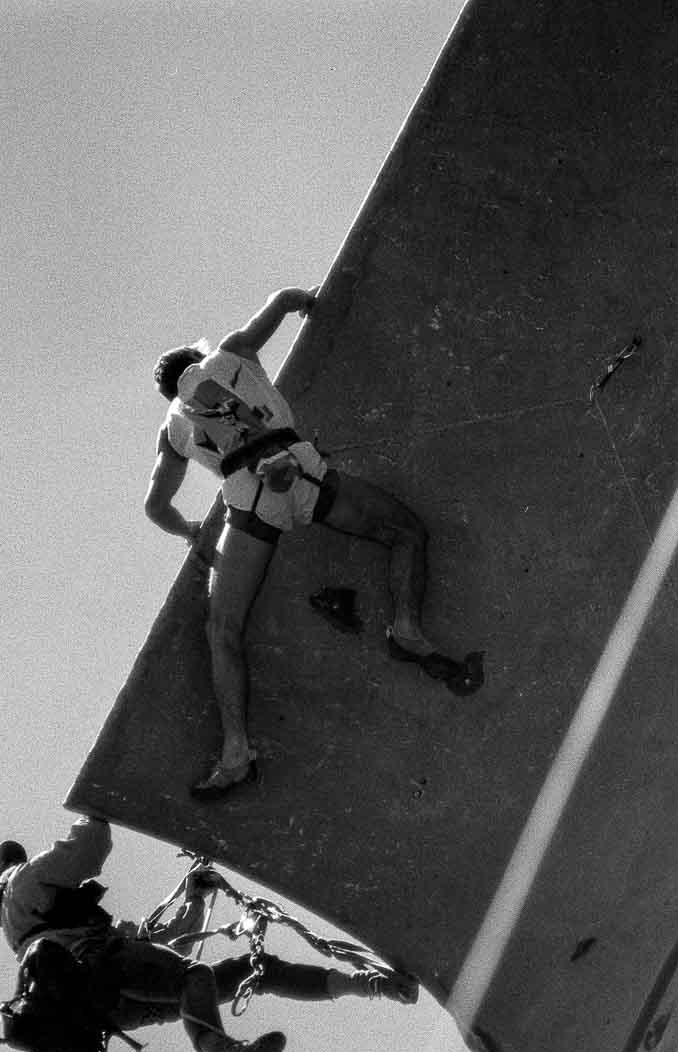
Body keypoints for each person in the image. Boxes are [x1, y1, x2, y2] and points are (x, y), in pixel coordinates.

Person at [145, 285, 484, 798]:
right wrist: (308, 298)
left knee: (223, 630)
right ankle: (407, 628)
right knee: (406, 532)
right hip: (304, 475)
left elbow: (156, 507)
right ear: (197, 355)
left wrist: (192, 532)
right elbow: (282, 301)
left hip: (249, 502)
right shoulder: (233, 350)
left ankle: (237, 752)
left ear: (170, 392)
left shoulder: (173, 427)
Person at [0, 815, 418, 1052]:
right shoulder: (22, 887)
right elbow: (88, 845)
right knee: (196, 978)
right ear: (2, 880)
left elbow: (174, 949)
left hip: (108, 1005)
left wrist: (196, 897)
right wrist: (95, 807)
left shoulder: (48, 924)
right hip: (97, 973)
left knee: (247, 972)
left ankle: (371, 984)